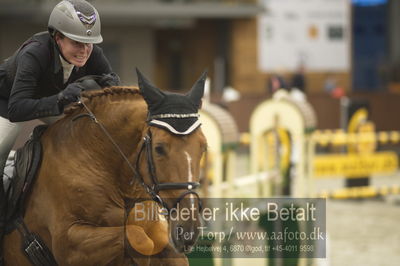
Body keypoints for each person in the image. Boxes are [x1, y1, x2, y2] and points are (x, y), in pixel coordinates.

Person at [0, 0, 119, 263]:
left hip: (50, 101)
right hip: (8, 106)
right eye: (76, 43)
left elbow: (112, 82)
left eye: (87, 43)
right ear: (57, 37)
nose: (84, 50)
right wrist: (61, 98)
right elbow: (19, 108)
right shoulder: (35, 53)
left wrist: (108, 84)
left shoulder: (92, 51)